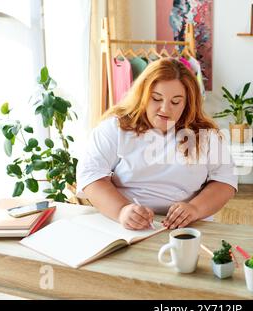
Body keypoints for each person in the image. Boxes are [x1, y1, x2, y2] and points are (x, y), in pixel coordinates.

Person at [76, 58, 237, 230]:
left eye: (176, 102)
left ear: (188, 103)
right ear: (143, 95)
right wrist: (122, 211)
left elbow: (224, 181)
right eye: (156, 98)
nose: (165, 109)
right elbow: (91, 175)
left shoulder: (206, 136)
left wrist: (195, 208)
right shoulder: (115, 128)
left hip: (189, 228)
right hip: (126, 227)